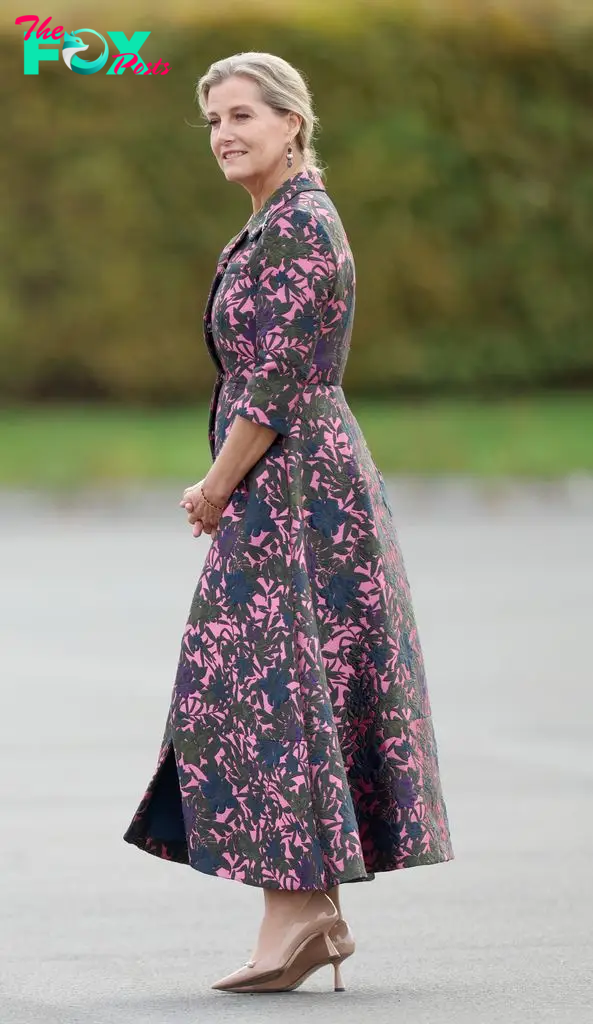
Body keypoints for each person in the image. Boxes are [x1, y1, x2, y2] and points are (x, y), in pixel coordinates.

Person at [123, 50, 454, 994]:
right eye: (214, 120)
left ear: (292, 124)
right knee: (276, 691)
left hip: (295, 494)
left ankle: (301, 910)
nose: (225, 134)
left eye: (243, 116)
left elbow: (274, 383)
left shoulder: (300, 226)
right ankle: (301, 911)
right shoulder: (276, 220)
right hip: (288, 489)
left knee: (271, 692)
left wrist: (217, 486)